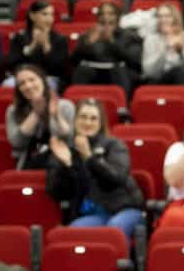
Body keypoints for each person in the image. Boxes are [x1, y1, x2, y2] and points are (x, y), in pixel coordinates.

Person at [45, 98, 144, 239]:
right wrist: (67, 165)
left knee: (114, 229)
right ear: (75, 120)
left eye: (93, 118)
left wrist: (89, 157)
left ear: (100, 123)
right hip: (93, 214)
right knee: (74, 232)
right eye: (83, 117)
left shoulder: (114, 145)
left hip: (125, 208)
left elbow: (117, 178)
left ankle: (118, 262)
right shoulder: (64, 149)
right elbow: (56, 192)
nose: (88, 123)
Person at [6, 64, 75, 170]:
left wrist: (56, 116)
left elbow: (68, 137)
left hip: (60, 160)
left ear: (42, 80)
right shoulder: (13, 111)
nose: (28, 86)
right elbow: (17, 142)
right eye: (22, 83)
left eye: (32, 80)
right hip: (29, 161)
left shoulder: (65, 106)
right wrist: (36, 114)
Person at [70, 2, 140, 95]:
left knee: (120, 72)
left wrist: (112, 42)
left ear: (118, 17)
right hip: (93, 71)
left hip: (119, 72)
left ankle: (122, 106)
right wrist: (88, 44)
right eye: (102, 14)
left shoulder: (130, 36)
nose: (105, 17)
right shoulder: (88, 35)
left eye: (110, 14)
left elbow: (134, 61)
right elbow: (74, 60)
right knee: (82, 71)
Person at [6, 0, 70, 89]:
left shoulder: (59, 39)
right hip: (24, 76)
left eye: (51, 15)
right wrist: (32, 46)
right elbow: (13, 64)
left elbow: (61, 69)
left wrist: (46, 47)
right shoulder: (19, 37)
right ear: (32, 16)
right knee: (8, 85)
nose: (49, 18)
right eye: (44, 14)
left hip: (49, 78)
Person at [141, 3, 184, 90]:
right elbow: (149, 72)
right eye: (159, 16)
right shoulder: (151, 39)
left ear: (175, 18)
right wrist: (165, 51)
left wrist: (181, 51)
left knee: (180, 72)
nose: (162, 20)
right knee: (176, 72)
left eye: (167, 16)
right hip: (160, 81)